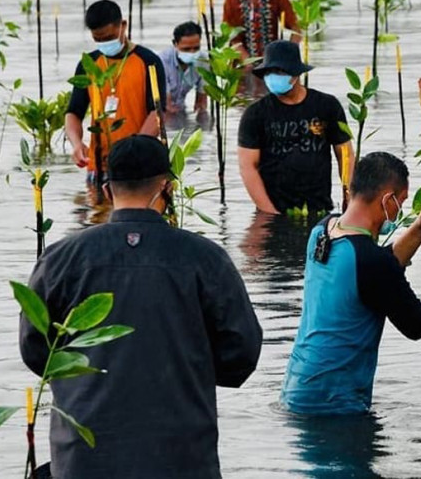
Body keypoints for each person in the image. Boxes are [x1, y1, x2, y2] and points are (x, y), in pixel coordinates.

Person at [20, 135, 262, 478]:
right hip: (182, 456)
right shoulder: (205, 258)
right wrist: (187, 368)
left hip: (84, 459)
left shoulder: (61, 258)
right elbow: (241, 353)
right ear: (167, 189)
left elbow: (36, 350)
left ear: (107, 190)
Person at [280, 152, 421, 414]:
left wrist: (420, 228)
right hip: (335, 404)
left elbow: (375, 269)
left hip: (298, 389)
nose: (399, 210)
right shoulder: (371, 263)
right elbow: (416, 324)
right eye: (400, 202)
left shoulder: (322, 231)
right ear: (387, 200)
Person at [238, 40, 351, 215]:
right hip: (273, 208)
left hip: (320, 207)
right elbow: (248, 167)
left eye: (279, 71)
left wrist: (349, 195)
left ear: (296, 73)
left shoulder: (327, 106)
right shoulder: (255, 114)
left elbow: (345, 154)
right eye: (270, 72)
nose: (273, 77)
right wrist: (269, 213)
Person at [65, 0, 167, 178]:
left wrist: (134, 150)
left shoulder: (149, 62)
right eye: (98, 39)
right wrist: (76, 143)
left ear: (123, 26)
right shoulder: (88, 65)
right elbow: (74, 112)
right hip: (98, 166)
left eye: (109, 37)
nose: (104, 42)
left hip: (138, 164)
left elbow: (157, 113)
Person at [157, 21, 207, 115]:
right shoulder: (162, 61)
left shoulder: (204, 61)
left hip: (180, 108)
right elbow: (167, 106)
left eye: (196, 48)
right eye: (186, 49)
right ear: (175, 44)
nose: (192, 53)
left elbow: (201, 103)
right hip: (162, 110)